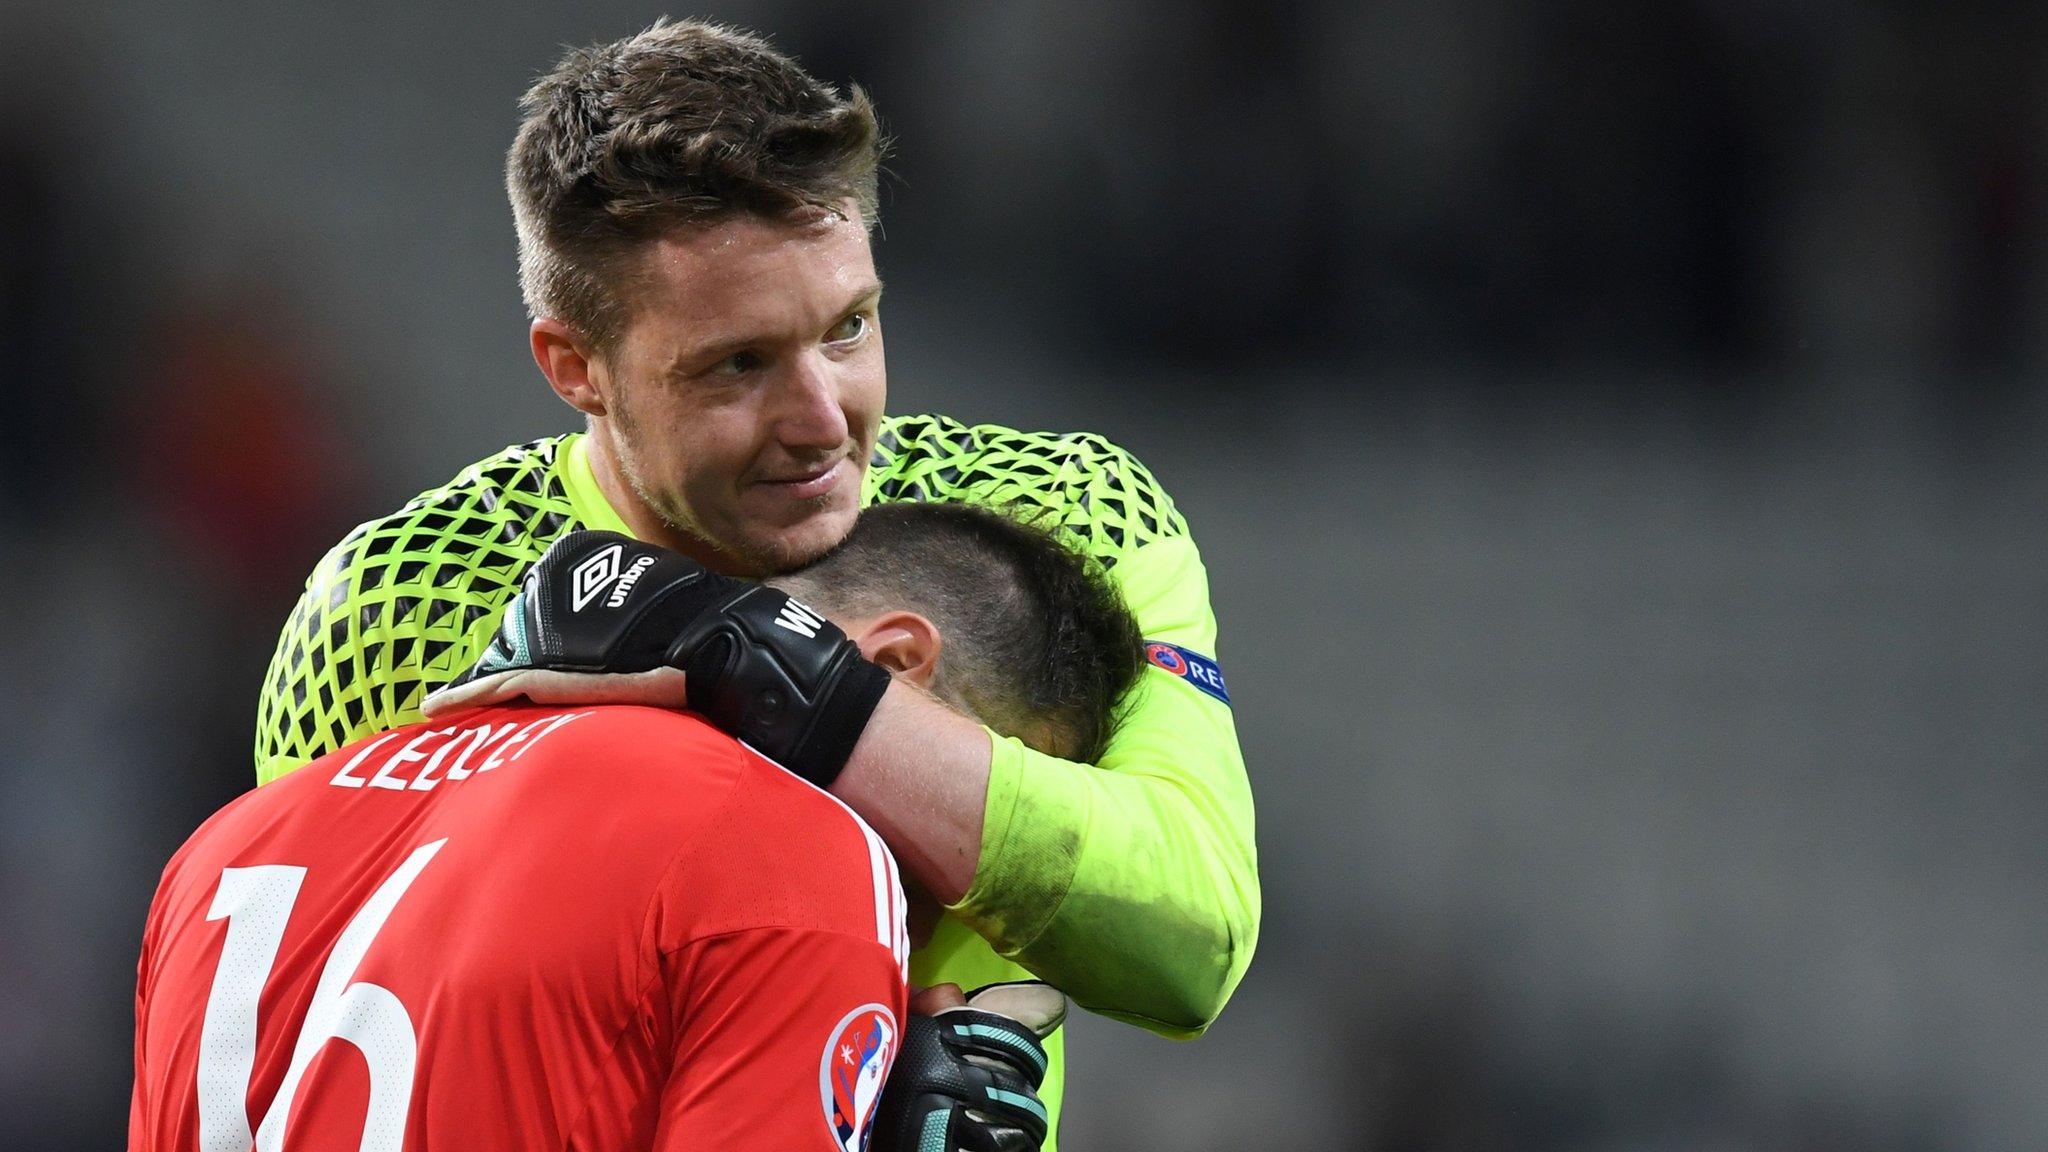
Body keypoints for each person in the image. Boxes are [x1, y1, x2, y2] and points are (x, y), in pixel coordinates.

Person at [252, 19, 1259, 1140]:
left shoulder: (1057, 510)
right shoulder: (397, 610)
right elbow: (308, 1059)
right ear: (574, 365)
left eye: (848, 329)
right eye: (739, 364)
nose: (823, 423)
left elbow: (1191, 935)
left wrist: (767, 667)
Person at [135, 504, 1128, 1151]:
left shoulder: (227, 846)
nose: (928, 918)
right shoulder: (795, 853)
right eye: (954, 819)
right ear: (898, 666)